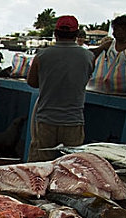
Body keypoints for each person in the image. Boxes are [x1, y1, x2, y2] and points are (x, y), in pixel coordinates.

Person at [26, 15, 94, 162]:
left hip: (46, 120)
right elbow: (84, 79)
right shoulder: (88, 56)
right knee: (71, 167)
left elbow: (31, 82)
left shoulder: (42, 55)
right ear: (76, 35)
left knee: (39, 167)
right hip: (73, 121)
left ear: (56, 34)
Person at [89, 15, 126, 92]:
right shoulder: (109, 45)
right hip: (106, 90)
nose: (113, 33)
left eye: (116, 30)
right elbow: (94, 53)